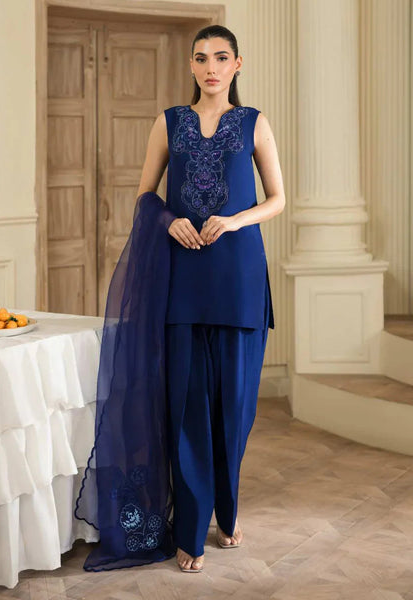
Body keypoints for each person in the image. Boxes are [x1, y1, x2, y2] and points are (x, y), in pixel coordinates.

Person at [74, 24, 285, 575]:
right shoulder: (169, 122)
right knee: (188, 408)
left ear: (237, 64)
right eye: (201, 58)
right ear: (191, 66)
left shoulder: (254, 122)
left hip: (239, 278)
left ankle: (228, 511)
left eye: (221, 57)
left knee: (235, 411)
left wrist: (235, 220)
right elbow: (145, 196)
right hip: (183, 278)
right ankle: (191, 530)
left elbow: (278, 199)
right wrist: (168, 221)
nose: (211, 67)